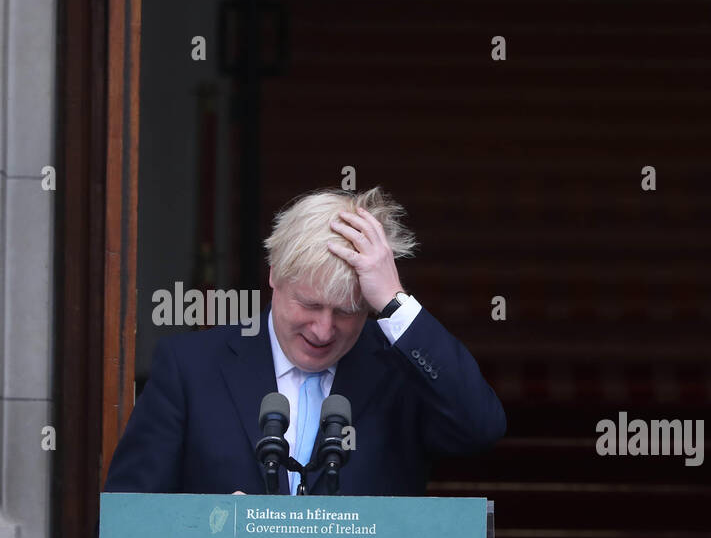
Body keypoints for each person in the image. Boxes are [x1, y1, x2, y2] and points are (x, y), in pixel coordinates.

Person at [104, 186, 506, 496]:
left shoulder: (400, 371)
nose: (323, 330)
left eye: (347, 311)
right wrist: (212, 526)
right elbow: (119, 526)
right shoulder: (190, 368)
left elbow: (480, 428)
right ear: (275, 276)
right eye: (309, 305)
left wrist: (395, 302)